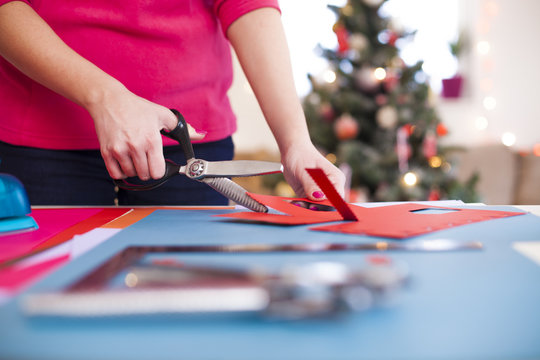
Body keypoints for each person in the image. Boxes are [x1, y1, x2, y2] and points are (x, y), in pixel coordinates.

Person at [0, 0, 345, 206]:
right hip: (43, 136)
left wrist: (296, 141)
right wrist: (105, 97)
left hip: (190, 141)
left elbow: (246, 5)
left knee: (191, 310)